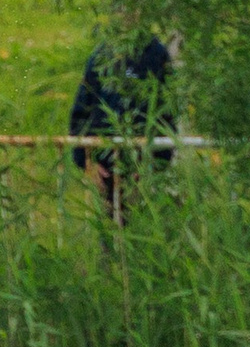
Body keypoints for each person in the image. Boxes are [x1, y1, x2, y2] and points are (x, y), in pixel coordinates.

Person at [68, 35, 175, 220]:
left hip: (144, 172)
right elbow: (81, 115)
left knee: (146, 227)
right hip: (105, 170)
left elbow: (167, 117)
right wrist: (87, 162)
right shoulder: (102, 55)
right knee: (110, 233)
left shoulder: (157, 55)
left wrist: (154, 166)